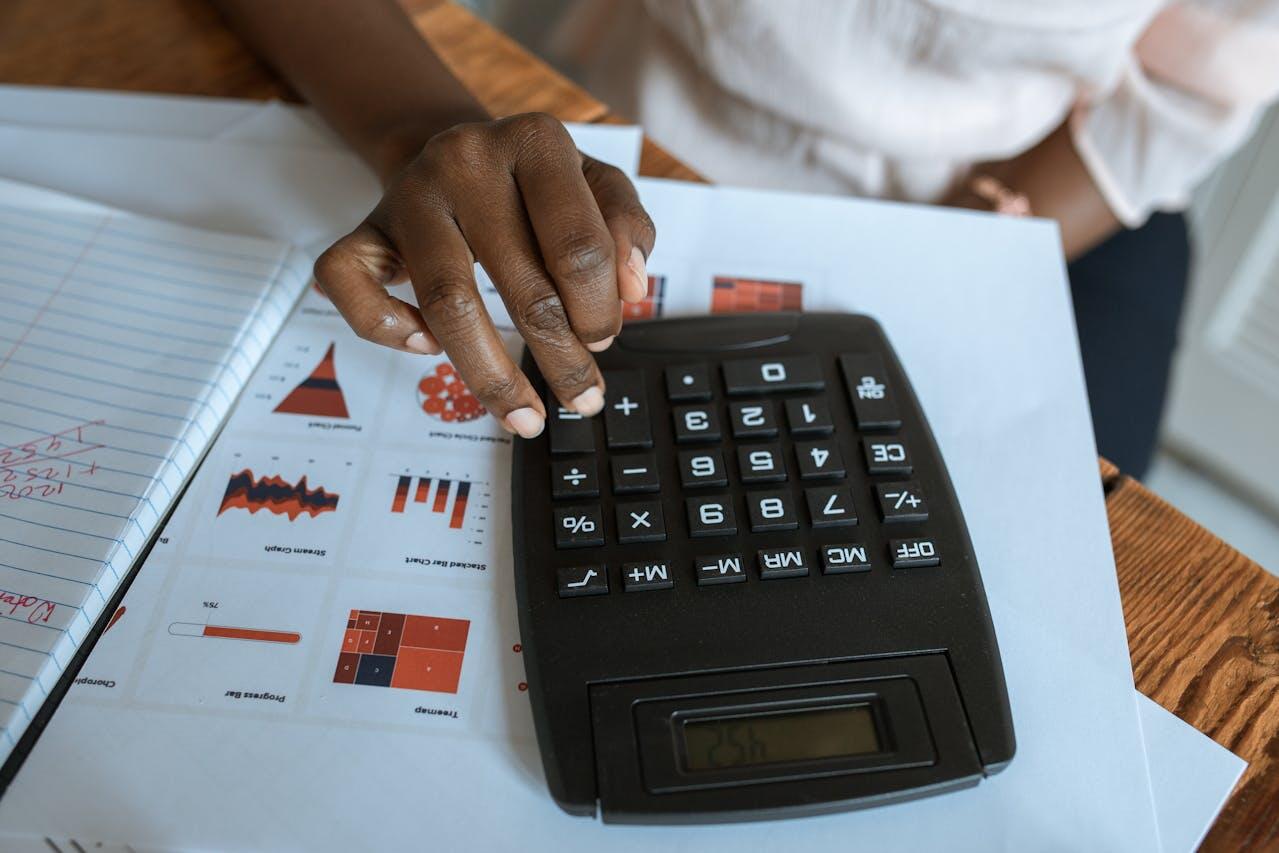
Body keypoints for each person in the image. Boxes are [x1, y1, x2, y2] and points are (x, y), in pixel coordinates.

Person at [214, 0, 1279, 477]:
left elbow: (1190, 78)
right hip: (635, 126)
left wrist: (963, 239)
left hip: (1031, 186)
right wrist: (416, 126)